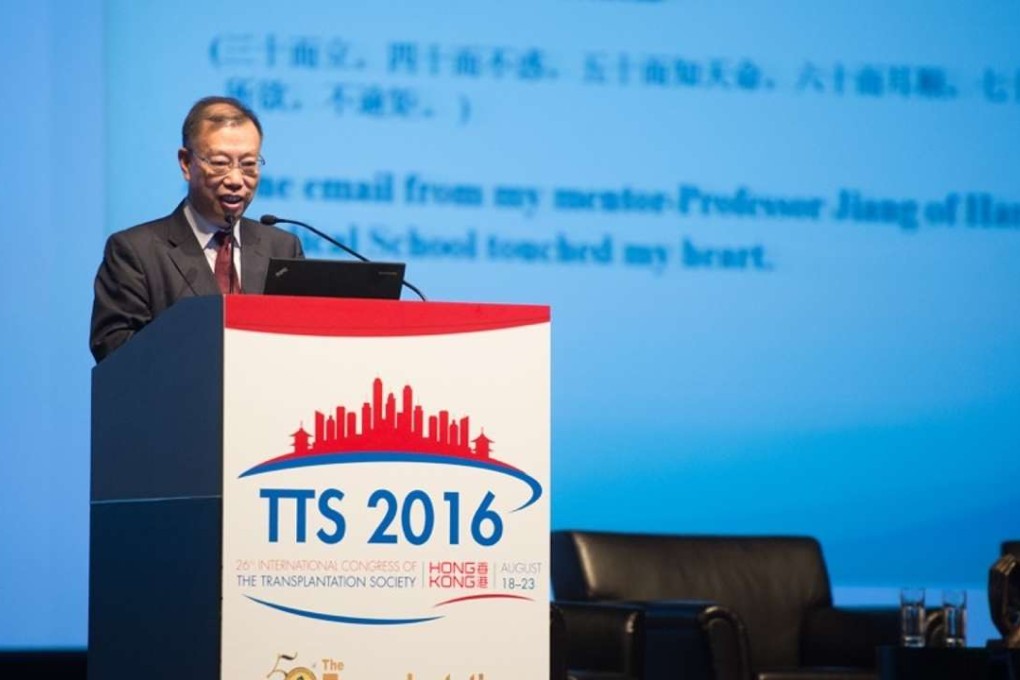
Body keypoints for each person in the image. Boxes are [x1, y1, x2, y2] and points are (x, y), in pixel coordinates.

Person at [90, 96, 303, 362]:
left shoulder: (282, 248)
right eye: (220, 163)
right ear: (186, 163)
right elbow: (114, 349)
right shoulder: (135, 252)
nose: (236, 180)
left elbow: (300, 344)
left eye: (248, 164)